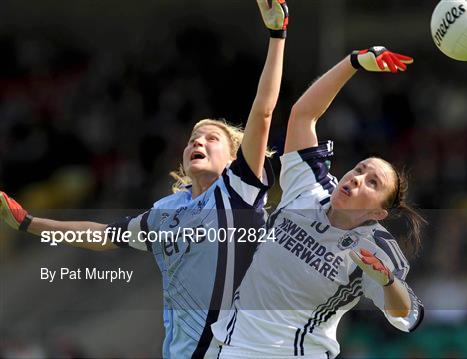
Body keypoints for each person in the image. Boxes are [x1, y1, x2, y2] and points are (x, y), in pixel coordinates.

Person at [0, 0, 288, 357]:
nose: (198, 141)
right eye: (193, 138)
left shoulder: (239, 190)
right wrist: (29, 222)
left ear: (234, 159)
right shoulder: (166, 212)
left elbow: (263, 112)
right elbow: (102, 237)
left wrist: (278, 35)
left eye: (211, 138)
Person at [211, 46, 426, 358]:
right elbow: (304, 114)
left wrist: (387, 281)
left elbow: (405, 313)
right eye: (359, 169)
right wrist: (353, 62)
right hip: (232, 347)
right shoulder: (309, 186)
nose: (357, 178)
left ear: (378, 212)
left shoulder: (375, 248)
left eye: (372, 183)